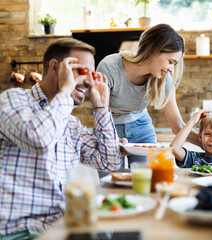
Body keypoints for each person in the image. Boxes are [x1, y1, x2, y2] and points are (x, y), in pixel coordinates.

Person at [0, 38, 125, 239]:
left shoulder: (70, 123)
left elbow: (109, 162)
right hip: (22, 231)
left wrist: (101, 108)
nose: (89, 81)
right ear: (55, 67)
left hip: (65, 227)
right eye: (81, 71)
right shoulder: (13, 100)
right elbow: (40, 140)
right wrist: (66, 91)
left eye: (91, 74)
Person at [96, 23, 201, 169]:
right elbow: (99, 114)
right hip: (109, 128)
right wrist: (110, 138)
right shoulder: (110, 67)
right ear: (154, 50)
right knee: (112, 184)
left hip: (142, 128)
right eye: (170, 62)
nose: (171, 69)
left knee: (147, 185)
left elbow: (177, 126)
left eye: (174, 64)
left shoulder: (164, 79)